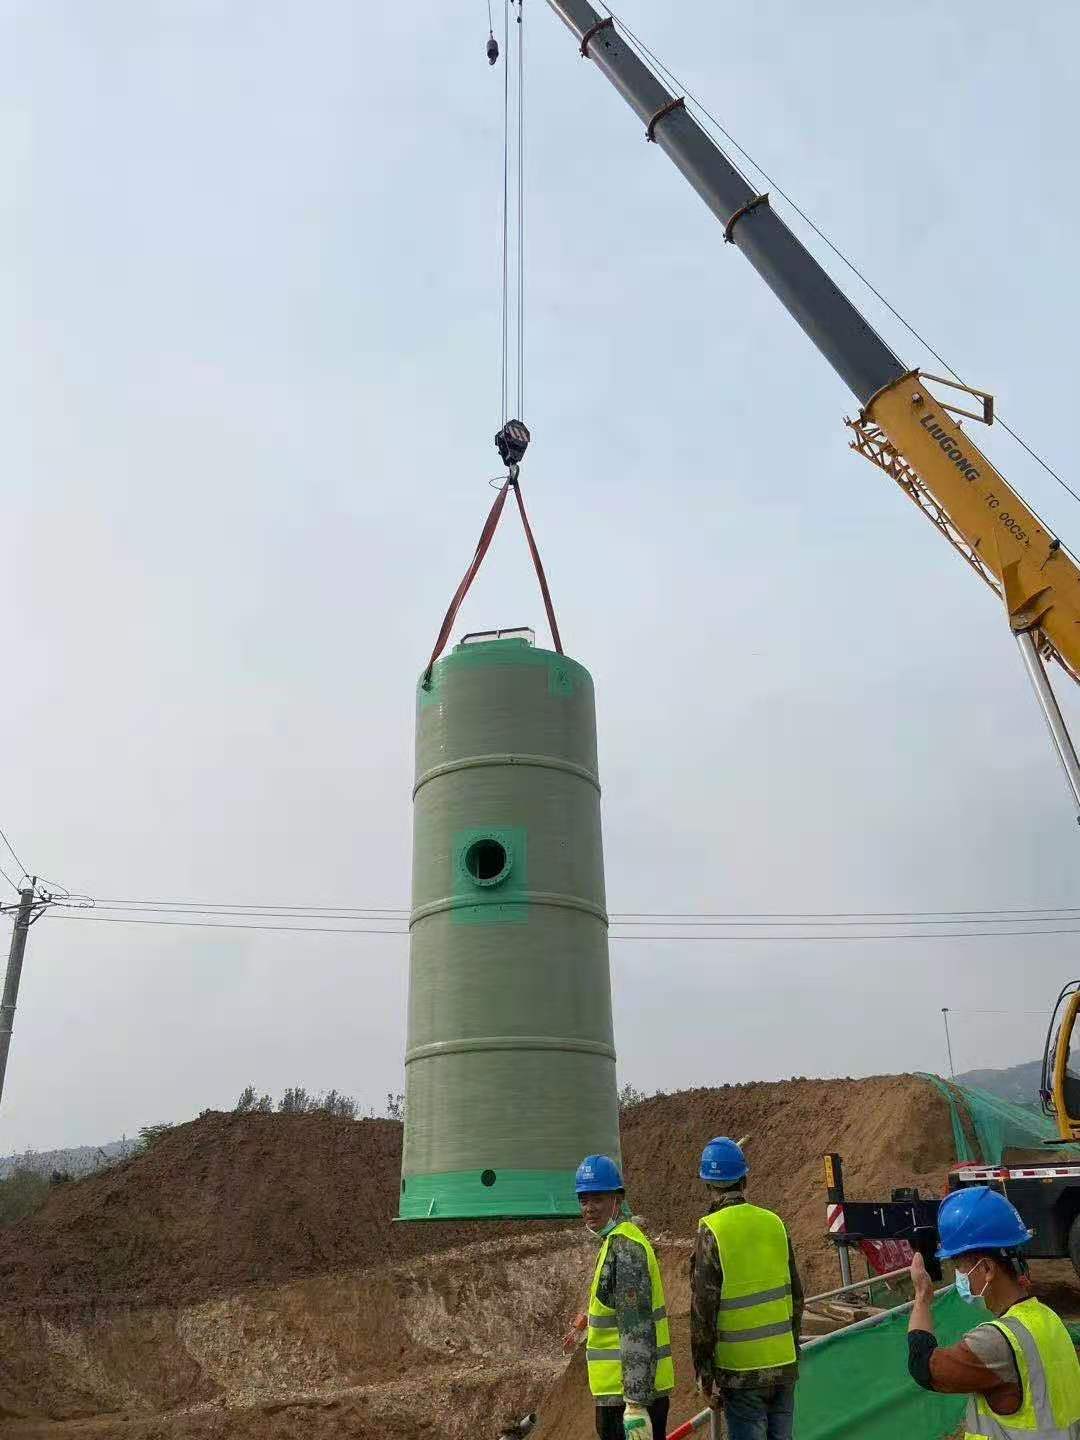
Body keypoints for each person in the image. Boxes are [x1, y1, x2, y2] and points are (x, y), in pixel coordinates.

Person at [908, 1184, 1080, 1436]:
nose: (960, 1276)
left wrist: (922, 1297)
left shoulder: (995, 1342)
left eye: (960, 1266)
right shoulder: (1047, 1317)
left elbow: (921, 1365)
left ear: (987, 1268)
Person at [690, 1136, 803, 1440]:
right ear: (744, 1178)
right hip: (783, 1365)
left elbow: (703, 1312)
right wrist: (791, 1349)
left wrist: (704, 1373)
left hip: (741, 1375)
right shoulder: (775, 1223)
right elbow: (796, 1297)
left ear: (707, 1184)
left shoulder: (711, 1231)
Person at [569, 1154, 675, 1440]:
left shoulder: (625, 1248)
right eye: (583, 1200)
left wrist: (636, 1405)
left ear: (617, 1199)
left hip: (627, 1400)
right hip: (617, 1395)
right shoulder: (614, 1242)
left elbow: (636, 1327)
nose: (588, 1208)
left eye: (597, 1199)